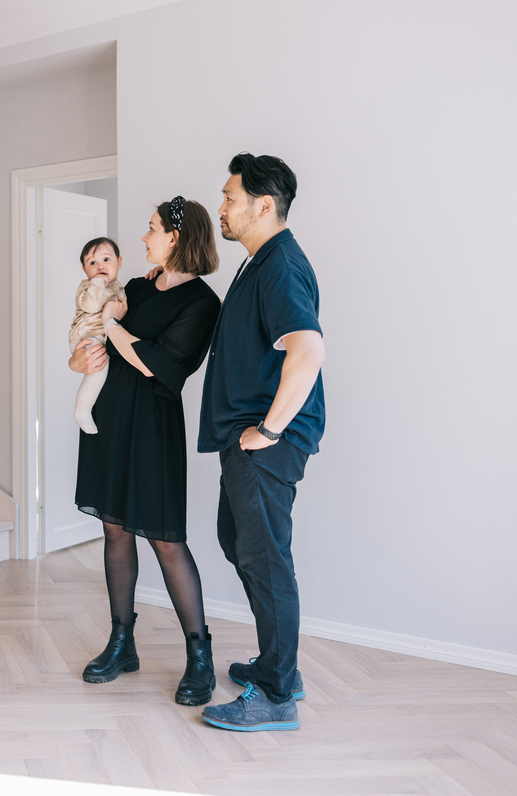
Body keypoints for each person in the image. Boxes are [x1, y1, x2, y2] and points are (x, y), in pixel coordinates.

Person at [70, 196, 222, 706]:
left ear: (176, 237)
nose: (144, 237)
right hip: (109, 418)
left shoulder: (202, 303)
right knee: (114, 527)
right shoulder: (133, 288)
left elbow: (159, 364)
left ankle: (199, 656)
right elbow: (96, 347)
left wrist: (114, 330)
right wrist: (79, 355)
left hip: (153, 426)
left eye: (152, 228)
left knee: (165, 538)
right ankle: (121, 642)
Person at [198, 153, 325, 732]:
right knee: (240, 541)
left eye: (229, 197)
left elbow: (308, 351)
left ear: (262, 205)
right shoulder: (260, 261)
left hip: (266, 442)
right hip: (248, 439)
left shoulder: (279, 266)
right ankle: (281, 666)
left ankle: (276, 694)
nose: (220, 207)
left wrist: (270, 430)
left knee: (266, 559)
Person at [70, 238, 126, 434]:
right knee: (99, 368)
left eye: (106, 260)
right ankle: (82, 409)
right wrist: (98, 282)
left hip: (102, 337)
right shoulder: (86, 286)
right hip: (87, 336)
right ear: (85, 270)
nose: (100, 266)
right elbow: (92, 306)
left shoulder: (119, 286)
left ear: (119, 262)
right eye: (92, 263)